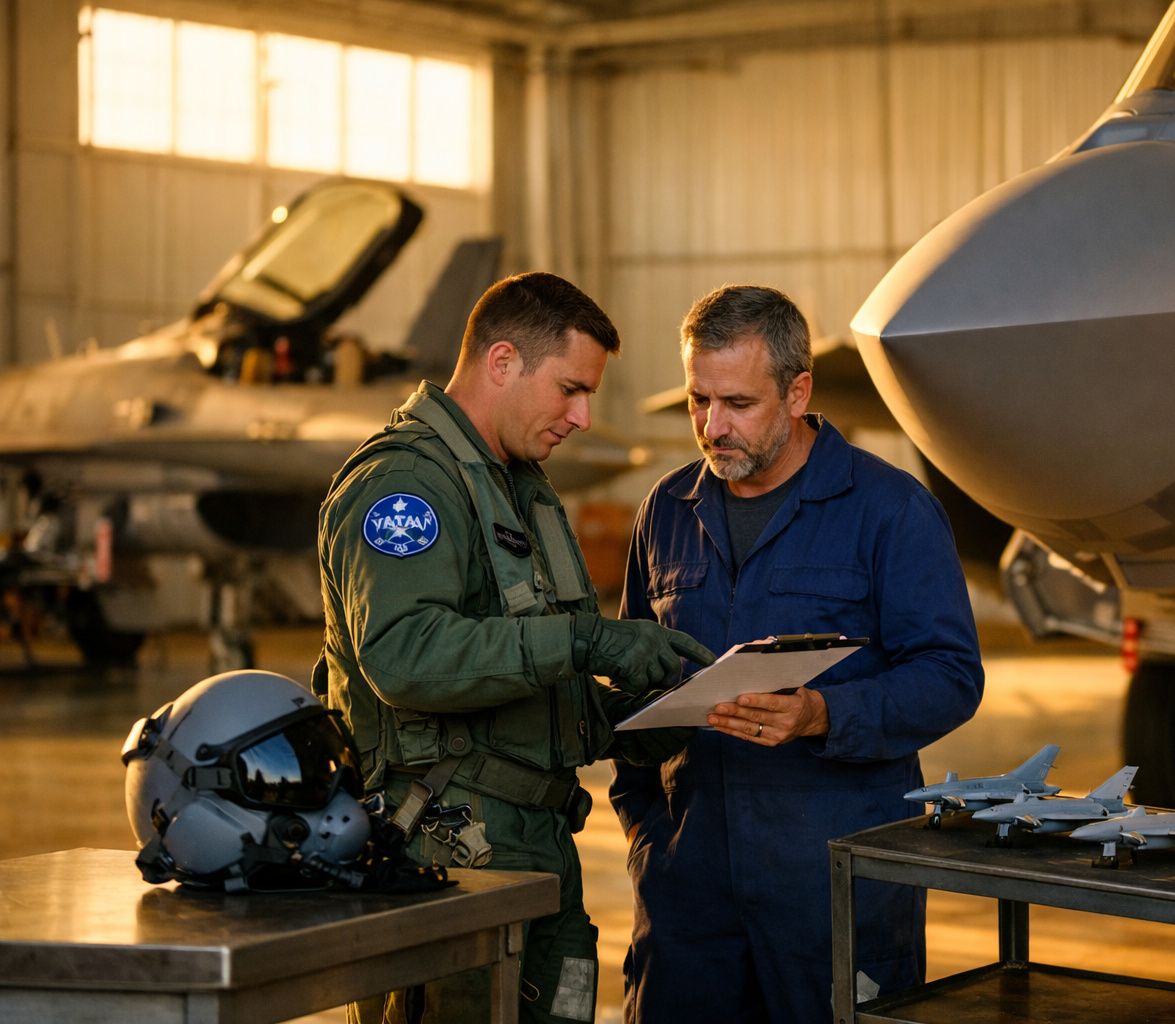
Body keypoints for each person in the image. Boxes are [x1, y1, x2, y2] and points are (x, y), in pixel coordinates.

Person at [314, 271, 713, 1024]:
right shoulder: (407, 484)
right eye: (569, 389)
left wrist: (627, 723)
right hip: (443, 857)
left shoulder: (514, 484)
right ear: (501, 363)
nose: (584, 416)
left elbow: (518, 683)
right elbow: (406, 656)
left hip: (528, 850)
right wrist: (590, 637)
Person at [612, 284, 984, 1022]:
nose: (712, 427)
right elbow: (631, 676)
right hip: (688, 896)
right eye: (697, 400)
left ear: (797, 391)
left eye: (738, 404)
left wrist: (823, 714)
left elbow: (950, 675)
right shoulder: (666, 511)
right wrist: (649, 835)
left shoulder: (888, 510)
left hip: (835, 882)